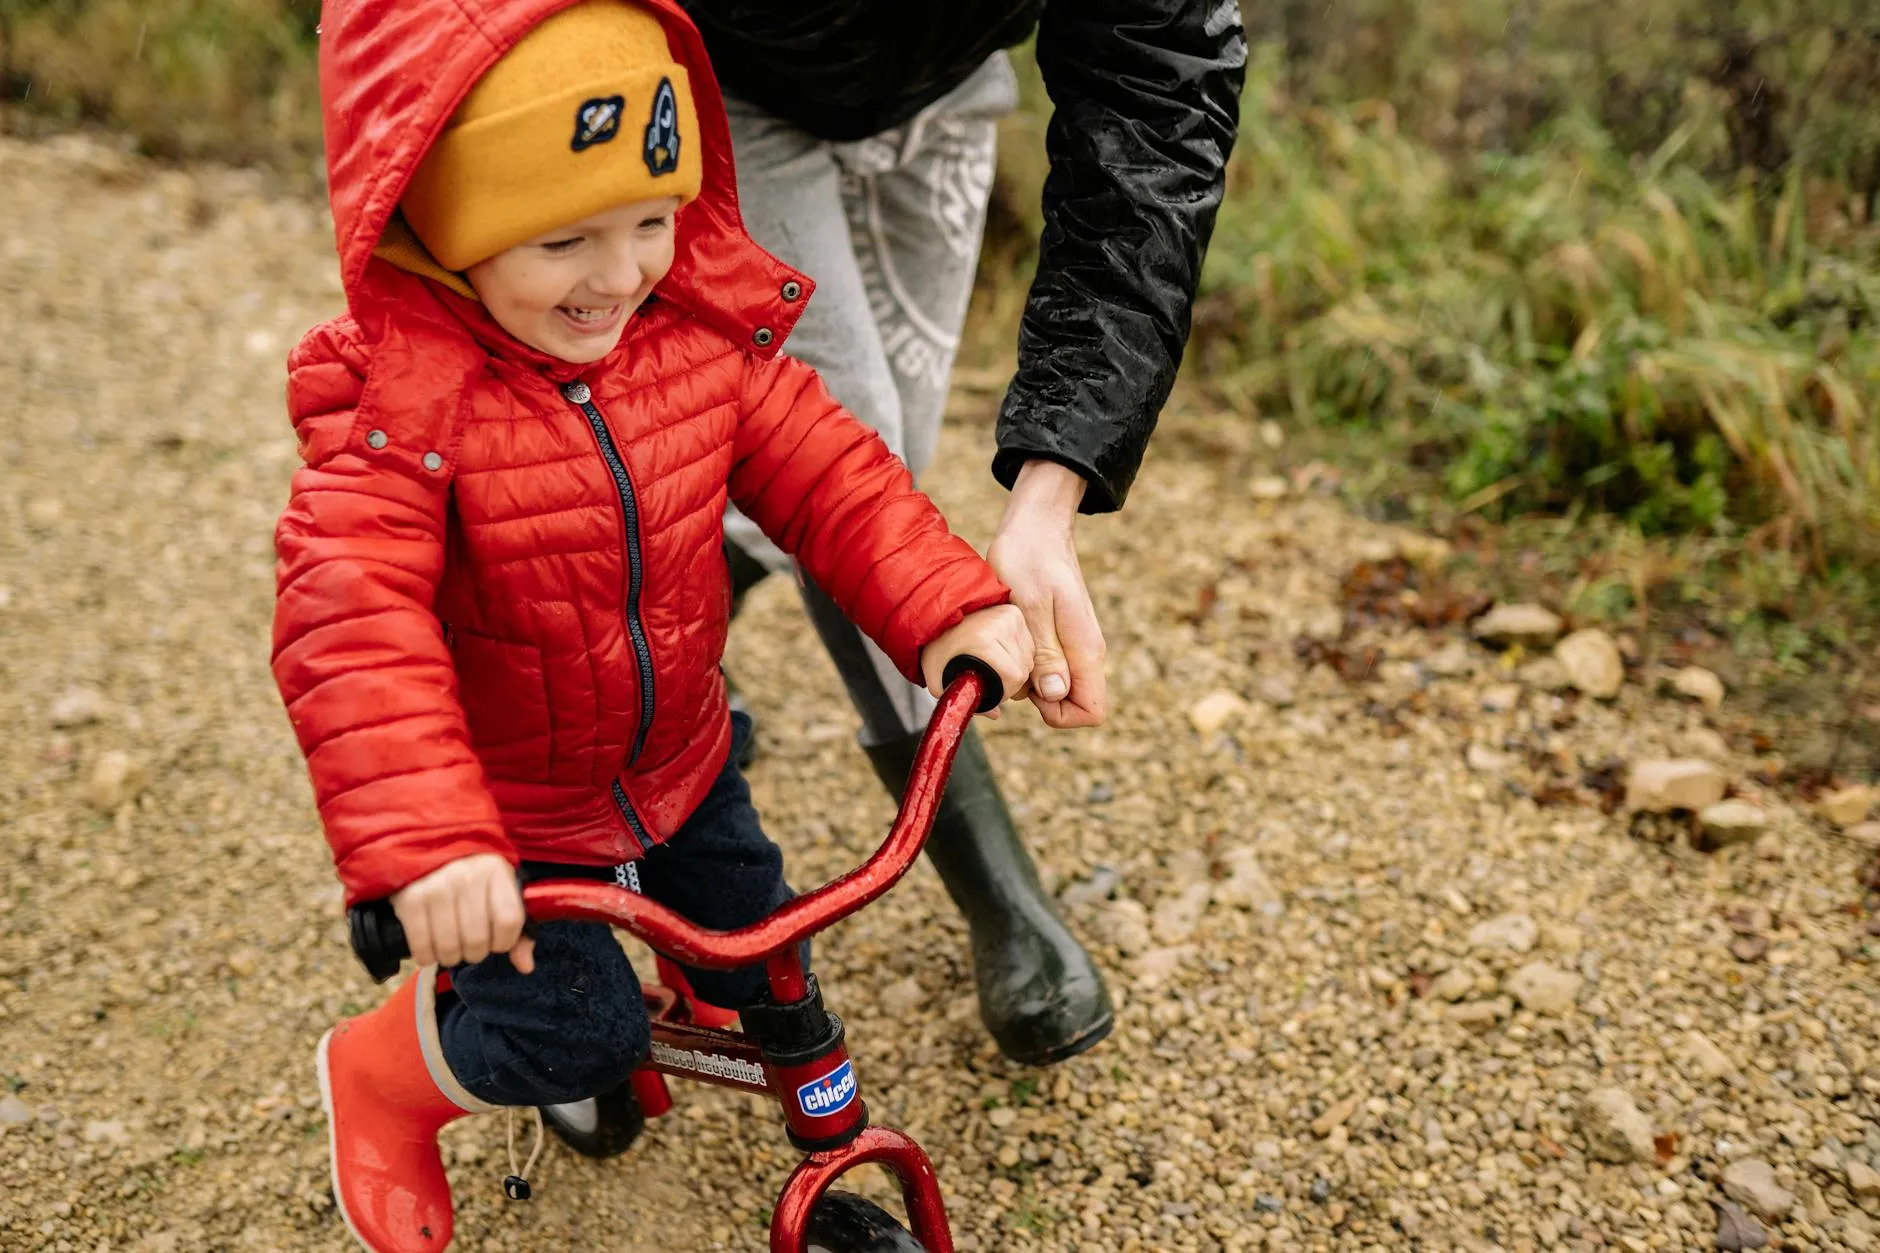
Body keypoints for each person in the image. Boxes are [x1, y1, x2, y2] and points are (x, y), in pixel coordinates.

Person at [272, 2, 1039, 1247]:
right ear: (436, 226)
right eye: (562, 238)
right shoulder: (398, 418)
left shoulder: (685, 343)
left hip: (678, 764)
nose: (621, 272)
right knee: (567, 1028)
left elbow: (829, 474)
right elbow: (350, 627)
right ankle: (378, 1072)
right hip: (510, 824)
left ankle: (774, 1084)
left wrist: (944, 604)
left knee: (761, 954)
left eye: (649, 219)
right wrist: (430, 844)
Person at [695, 0, 1248, 1065]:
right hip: (721, 70)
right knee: (851, 451)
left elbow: (1156, 91)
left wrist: (1050, 496)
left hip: (940, 86)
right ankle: (992, 885)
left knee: (886, 416)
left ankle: (682, 609)